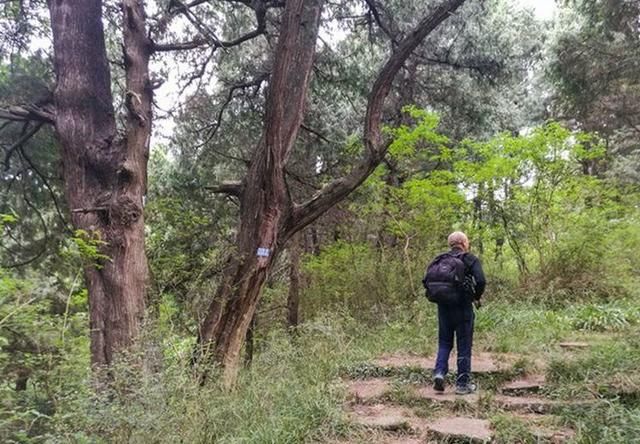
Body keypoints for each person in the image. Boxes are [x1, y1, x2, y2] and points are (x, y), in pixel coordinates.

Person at [430, 231, 486, 395]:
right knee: (464, 344)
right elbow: (481, 280)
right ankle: (462, 384)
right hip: (463, 307)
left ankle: (439, 373)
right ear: (463, 243)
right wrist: (476, 296)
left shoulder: (440, 259)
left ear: (451, 244)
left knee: (444, 342)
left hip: (443, 307)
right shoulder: (469, 258)